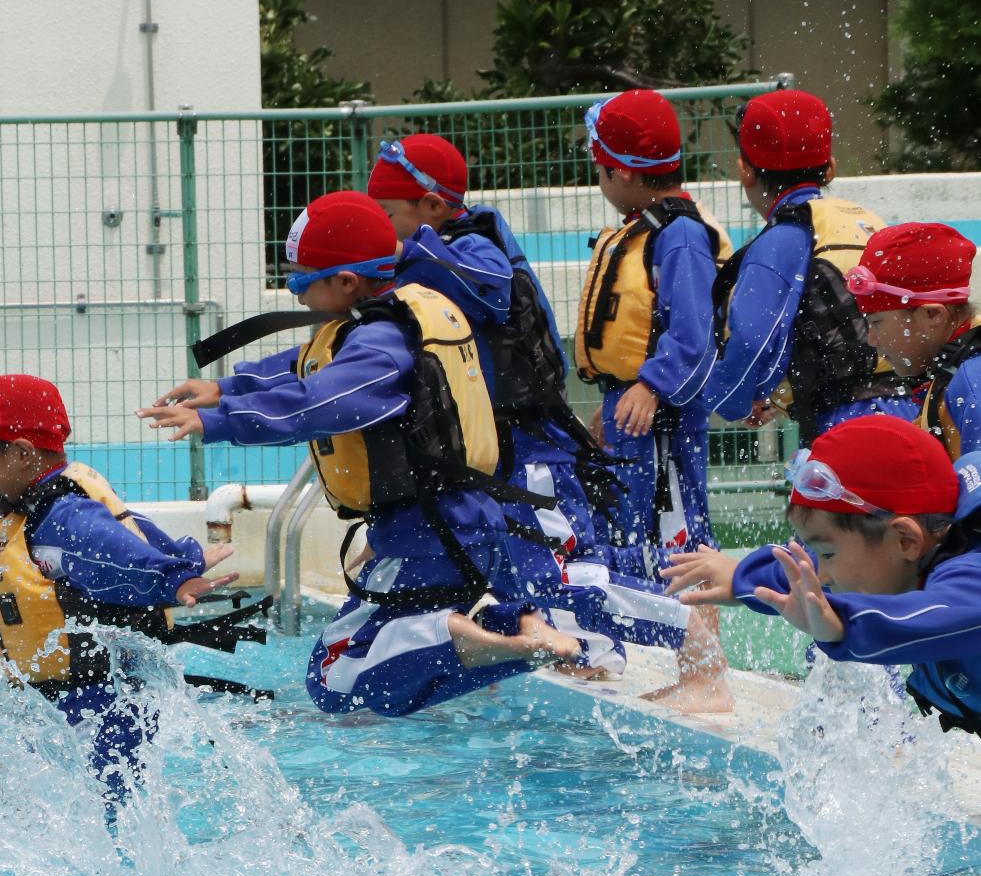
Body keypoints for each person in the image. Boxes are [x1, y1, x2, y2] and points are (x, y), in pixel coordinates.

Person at [140, 190, 587, 717]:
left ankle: (457, 637)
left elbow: (319, 402)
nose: (297, 294)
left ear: (347, 282)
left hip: (426, 534)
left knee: (333, 680)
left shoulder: (382, 341)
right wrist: (228, 388)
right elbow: (309, 363)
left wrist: (217, 422)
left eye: (301, 281)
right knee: (395, 692)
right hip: (471, 522)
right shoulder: (409, 316)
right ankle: (518, 626)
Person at [365, 130, 689, 678]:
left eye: (385, 211)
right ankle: (588, 658)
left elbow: (489, 285)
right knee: (527, 571)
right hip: (499, 454)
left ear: (433, 207)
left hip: (535, 448)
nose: (379, 225)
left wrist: (405, 248)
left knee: (567, 569)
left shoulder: (473, 249)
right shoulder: (424, 258)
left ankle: (684, 628)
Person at [0, 374, 247, 795]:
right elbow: (132, 536)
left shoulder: (62, 516)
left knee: (106, 804)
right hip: (76, 697)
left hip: (99, 702)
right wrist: (181, 561)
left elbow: (111, 555)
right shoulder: (40, 508)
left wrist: (172, 580)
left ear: (22, 454)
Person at [662, 414, 981, 738]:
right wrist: (743, 577)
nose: (823, 574)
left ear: (906, 541)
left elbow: (933, 615)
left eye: (828, 554)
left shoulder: (973, 582)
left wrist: (841, 626)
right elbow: (811, 573)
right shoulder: (917, 549)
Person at [574, 89, 734, 711]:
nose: (601, 184)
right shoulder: (652, 228)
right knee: (646, 534)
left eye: (600, 171)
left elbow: (691, 335)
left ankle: (707, 678)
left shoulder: (680, 237)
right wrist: (618, 396)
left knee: (679, 537)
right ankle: (691, 669)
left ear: (622, 172)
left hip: (663, 415)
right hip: (637, 409)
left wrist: (648, 385)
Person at [704, 87, 912, 440]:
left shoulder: (782, 240)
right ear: (829, 169)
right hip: (908, 409)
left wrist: (731, 400)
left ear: (745, 171)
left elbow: (753, 341)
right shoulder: (869, 222)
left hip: (843, 426)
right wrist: (779, 393)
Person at [844, 221, 981, 457]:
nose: (872, 339)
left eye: (876, 322)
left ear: (932, 314)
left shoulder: (972, 386)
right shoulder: (951, 371)